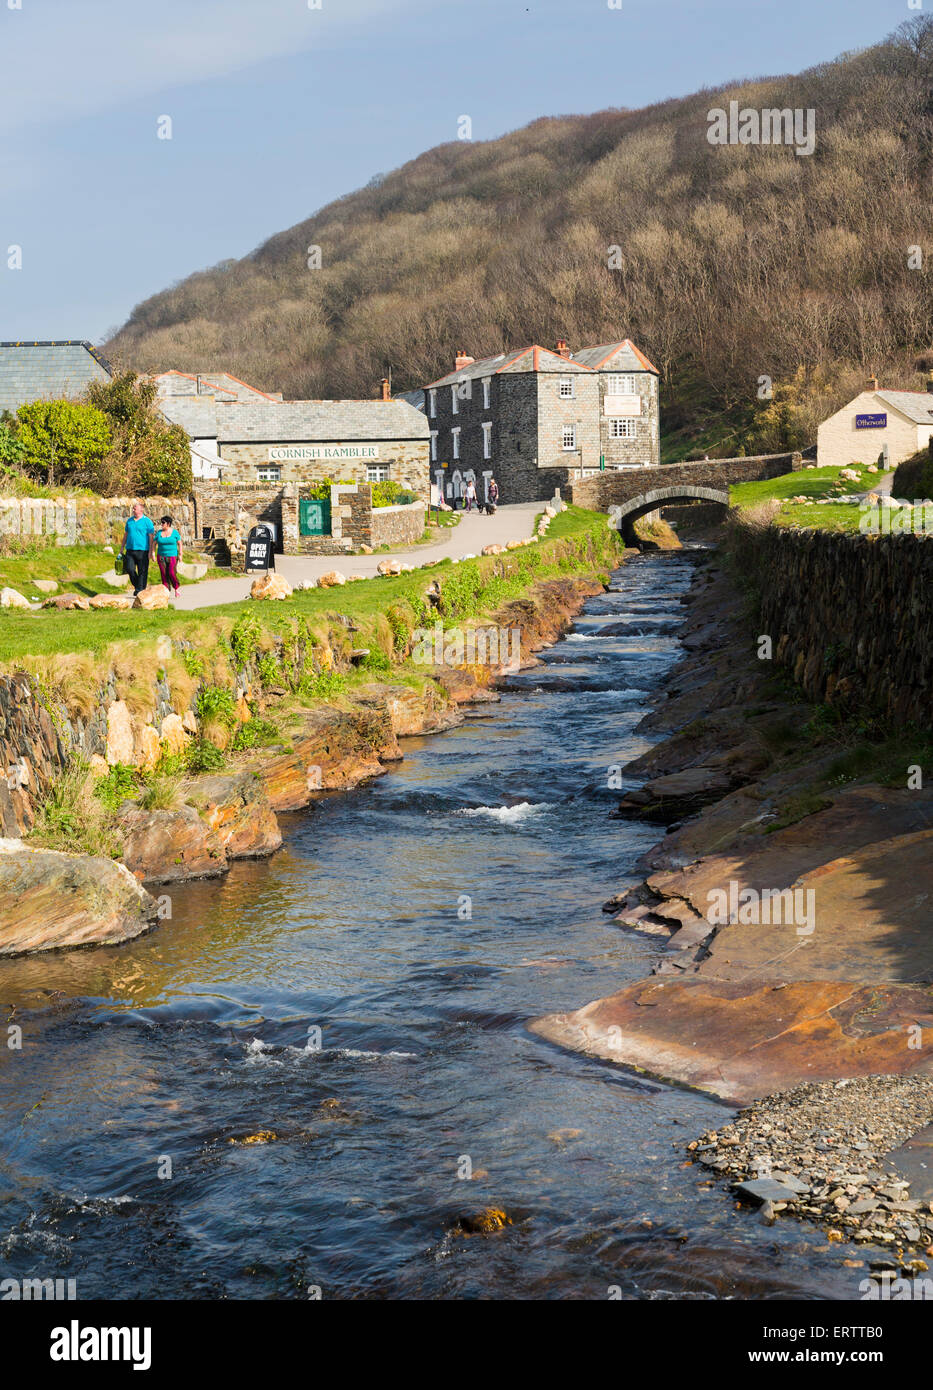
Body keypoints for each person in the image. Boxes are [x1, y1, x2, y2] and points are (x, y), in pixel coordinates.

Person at [120, 501, 155, 595]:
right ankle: (139, 586)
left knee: (142, 571)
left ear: (141, 510)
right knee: (130, 569)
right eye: (133, 508)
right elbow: (126, 534)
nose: (133, 510)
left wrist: (151, 551)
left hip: (143, 550)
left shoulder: (147, 521)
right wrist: (122, 547)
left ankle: (140, 590)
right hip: (130, 550)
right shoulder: (130, 521)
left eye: (135, 508)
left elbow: (151, 537)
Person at [155, 515, 183, 595]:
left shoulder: (175, 533)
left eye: (163, 522)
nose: (162, 524)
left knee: (171, 572)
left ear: (168, 523)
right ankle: (166, 591)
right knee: (163, 573)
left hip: (172, 556)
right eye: (161, 522)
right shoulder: (159, 533)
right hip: (161, 556)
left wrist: (180, 554)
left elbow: (180, 543)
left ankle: (176, 588)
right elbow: (154, 543)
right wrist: (152, 553)